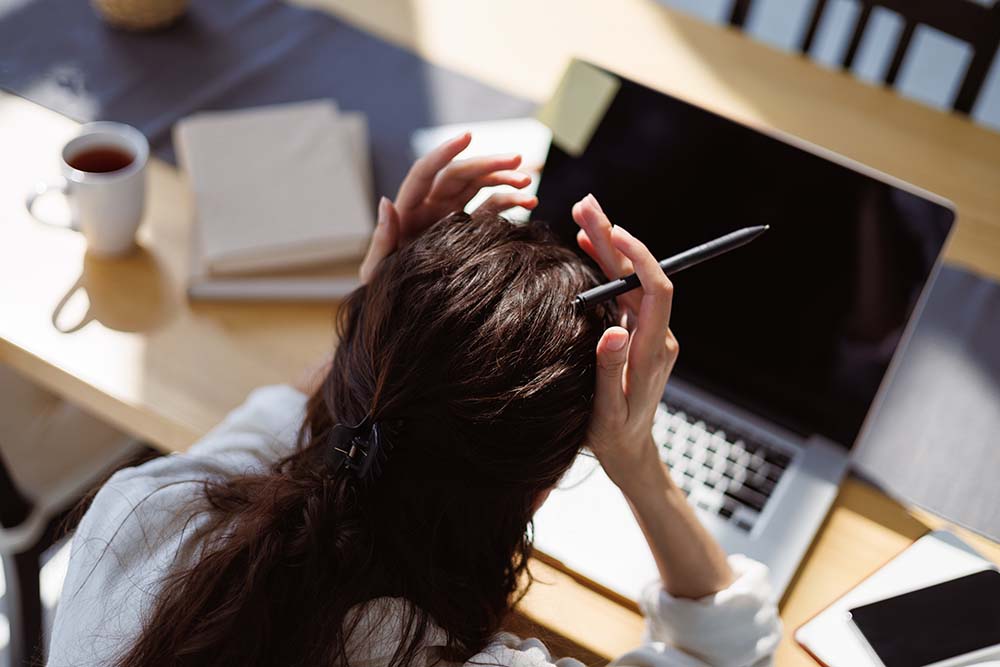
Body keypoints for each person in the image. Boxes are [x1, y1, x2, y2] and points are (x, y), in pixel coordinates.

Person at [48, 133, 781, 667]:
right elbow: (728, 652)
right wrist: (636, 457)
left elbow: (299, 422)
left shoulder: (140, 517)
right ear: (539, 491)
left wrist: (392, 310)